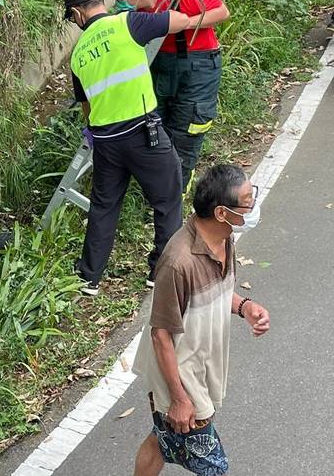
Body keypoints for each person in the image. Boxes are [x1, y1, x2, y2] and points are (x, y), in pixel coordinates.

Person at [132, 164, 270, 476]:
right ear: (222, 212)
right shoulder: (178, 263)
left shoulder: (223, 238)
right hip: (180, 377)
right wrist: (179, 398)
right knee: (214, 468)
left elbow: (215, 294)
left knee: (161, 440)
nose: (254, 206)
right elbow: (160, 335)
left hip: (199, 366)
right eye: (248, 200)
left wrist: (244, 306)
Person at [64, 0, 191, 295]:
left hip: (106, 141)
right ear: (101, 2)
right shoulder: (128, 23)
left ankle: (89, 277)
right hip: (143, 132)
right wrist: (148, 14)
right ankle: (160, 271)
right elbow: (180, 21)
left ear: (77, 13)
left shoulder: (78, 54)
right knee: (168, 196)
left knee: (104, 207)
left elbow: (86, 107)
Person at [106, 0, 230, 192]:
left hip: (198, 67)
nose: (119, 4)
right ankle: (158, 189)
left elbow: (222, 11)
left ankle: (177, 190)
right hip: (161, 68)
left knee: (187, 130)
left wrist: (183, 24)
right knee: (156, 128)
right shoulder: (136, 15)